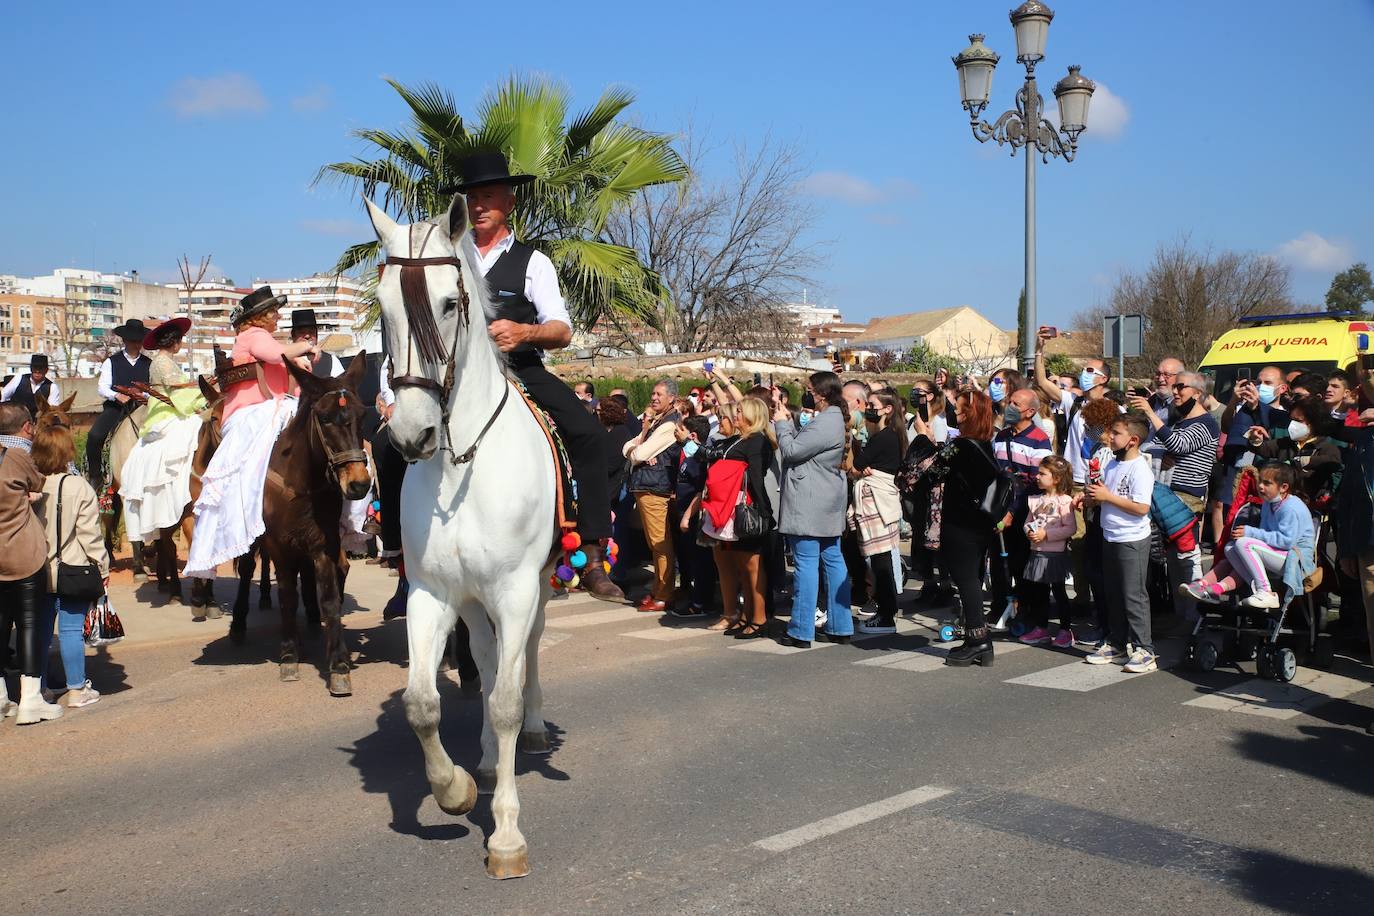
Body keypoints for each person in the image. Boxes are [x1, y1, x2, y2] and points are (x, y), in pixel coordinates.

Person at [440, 151, 622, 600]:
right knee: (390, 442)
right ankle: (406, 558)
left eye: (488, 196)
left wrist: (526, 331)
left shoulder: (532, 261)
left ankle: (593, 554)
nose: (478, 205)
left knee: (588, 435)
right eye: (471, 197)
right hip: (451, 378)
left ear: (510, 203)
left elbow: (562, 329)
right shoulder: (445, 256)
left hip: (519, 369)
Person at [183, 286, 317, 579]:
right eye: (274, 312)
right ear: (260, 317)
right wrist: (304, 348)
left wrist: (302, 361)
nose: (278, 316)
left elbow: (286, 366)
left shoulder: (265, 339)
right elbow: (280, 354)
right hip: (252, 411)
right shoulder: (253, 337)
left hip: (272, 407)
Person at [913, 389, 1001, 667]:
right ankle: (977, 639)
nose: (956, 414)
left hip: (961, 523)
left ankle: (979, 640)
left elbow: (933, 471)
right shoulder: (984, 443)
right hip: (977, 523)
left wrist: (923, 437)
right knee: (969, 579)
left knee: (966, 580)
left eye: (961, 409)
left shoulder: (962, 446)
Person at [1132, 371, 1219, 626]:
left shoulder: (1206, 423)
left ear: (1198, 393)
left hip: (1187, 499)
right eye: (1175, 386)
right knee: (1170, 561)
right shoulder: (1179, 422)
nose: (1175, 391)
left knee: (1186, 560)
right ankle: (1183, 618)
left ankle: (1197, 618)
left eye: (1181, 386)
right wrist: (1162, 453)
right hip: (1167, 495)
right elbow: (1152, 447)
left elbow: (1178, 446)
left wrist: (1149, 412)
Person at [32, 421, 109, 709]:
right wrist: (102, 567)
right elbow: (90, 535)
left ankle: (38, 689)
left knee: (39, 631)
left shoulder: (31, 483)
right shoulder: (78, 486)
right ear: (67, 451)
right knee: (70, 630)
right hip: (73, 568)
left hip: (37, 568)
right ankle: (77, 689)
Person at [774, 371, 850, 648]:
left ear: (822, 393)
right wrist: (786, 417)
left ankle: (801, 629)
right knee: (832, 558)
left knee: (807, 564)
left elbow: (792, 451)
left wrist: (781, 425)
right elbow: (805, 446)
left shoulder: (828, 420)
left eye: (809, 390)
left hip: (811, 500)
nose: (806, 393)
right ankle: (840, 625)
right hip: (824, 498)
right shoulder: (830, 419)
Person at [119, 317, 205, 555]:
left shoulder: (163, 360)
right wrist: (202, 398)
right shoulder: (164, 363)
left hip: (171, 406)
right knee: (192, 432)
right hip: (165, 413)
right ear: (174, 342)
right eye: (180, 340)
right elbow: (178, 394)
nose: (181, 343)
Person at [0, 403, 63, 723]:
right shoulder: (19, 457)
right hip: (22, 555)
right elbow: (39, 482)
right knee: (28, 626)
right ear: (27, 427)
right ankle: (30, 700)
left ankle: (0, 698)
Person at [1083, 412, 1157, 673]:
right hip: (1109, 534)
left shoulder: (1140, 469)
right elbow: (1108, 496)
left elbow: (1140, 508)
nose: (1110, 437)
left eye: (1116, 433)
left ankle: (1144, 649)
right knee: (1112, 593)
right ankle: (1116, 643)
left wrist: (1107, 497)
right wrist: (1094, 497)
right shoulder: (1112, 464)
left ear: (1133, 440)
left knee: (1133, 595)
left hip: (1132, 539)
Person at [1183, 462, 1313, 609]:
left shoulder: (1291, 507)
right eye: (1260, 482)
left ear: (1283, 488)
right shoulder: (1268, 503)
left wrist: (1251, 532)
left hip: (1296, 560)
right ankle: (1211, 589)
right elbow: (1268, 535)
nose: (1261, 487)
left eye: (1267, 483)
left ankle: (1266, 592)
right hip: (1280, 554)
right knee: (1230, 548)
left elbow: (1287, 541)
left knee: (1244, 544)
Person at [700, 397, 774, 639]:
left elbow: (756, 477)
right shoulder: (738, 440)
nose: (735, 415)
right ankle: (746, 614)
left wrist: (764, 511)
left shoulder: (757, 441)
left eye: (740, 412)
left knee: (753, 565)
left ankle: (759, 618)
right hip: (733, 507)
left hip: (748, 508)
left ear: (752, 415)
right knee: (743, 566)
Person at [990, 387, 1054, 630]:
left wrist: (1013, 512)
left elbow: (1037, 483)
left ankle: (1029, 610)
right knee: (998, 561)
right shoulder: (1002, 436)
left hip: (1025, 512)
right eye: (1010, 402)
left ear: (1031, 411)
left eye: (1016, 404)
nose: (1010, 407)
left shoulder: (1039, 440)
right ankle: (1001, 606)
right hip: (1000, 509)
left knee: (1023, 563)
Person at [851, 388, 908, 635]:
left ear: (888, 409)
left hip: (877, 500)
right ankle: (886, 610)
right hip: (879, 499)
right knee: (879, 559)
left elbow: (857, 465)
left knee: (881, 559)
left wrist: (857, 461)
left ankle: (886, 616)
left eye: (873, 404)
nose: (868, 409)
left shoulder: (885, 437)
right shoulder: (888, 435)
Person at [623, 379, 683, 613]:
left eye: (659, 394)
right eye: (653, 393)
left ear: (672, 399)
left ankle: (664, 594)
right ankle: (658, 590)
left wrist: (635, 451)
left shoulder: (669, 425)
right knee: (655, 544)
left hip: (655, 488)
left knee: (661, 544)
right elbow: (629, 447)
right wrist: (635, 450)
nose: (654, 397)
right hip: (647, 486)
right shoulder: (658, 422)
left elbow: (638, 452)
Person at [1018, 455, 1077, 647]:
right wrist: (1030, 532)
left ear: (1056, 478)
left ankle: (1065, 630)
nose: (1037, 476)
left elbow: (1070, 528)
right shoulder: (1036, 500)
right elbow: (1027, 522)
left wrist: (1046, 534)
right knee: (1039, 593)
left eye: (1042, 473)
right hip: (1037, 552)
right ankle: (1041, 628)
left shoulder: (1064, 501)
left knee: (1059, 592)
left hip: (1055, 555)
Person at [85, 319, 151, 486]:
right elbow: (102, 387)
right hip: (116, 408)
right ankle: (96, 476)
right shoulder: (111, 362)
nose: (136, 344)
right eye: (133, 341)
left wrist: (142, 394)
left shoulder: (149, 364)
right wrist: (117, 396)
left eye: (139, 341)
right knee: (94, 436)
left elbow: (153, 389)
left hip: (142, 408)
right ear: (125, 340)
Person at [670, 415, 717, 617]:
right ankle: (693, 596)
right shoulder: (687, 455)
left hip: (694, 517)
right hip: (682, 512)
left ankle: (700, 603)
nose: (676, 431)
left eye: (680, 429)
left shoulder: (698, 461)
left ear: (693, 435)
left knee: (701, 561)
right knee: (691, 559)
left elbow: (700, 491)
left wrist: (687, 516)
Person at [290, 309, 344, 378]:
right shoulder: (284, 362)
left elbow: (342, 386)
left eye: (311, 331)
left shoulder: (331, 361)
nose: (307, 336)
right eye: (302, 332)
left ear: (317, 334)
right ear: (293, 335)